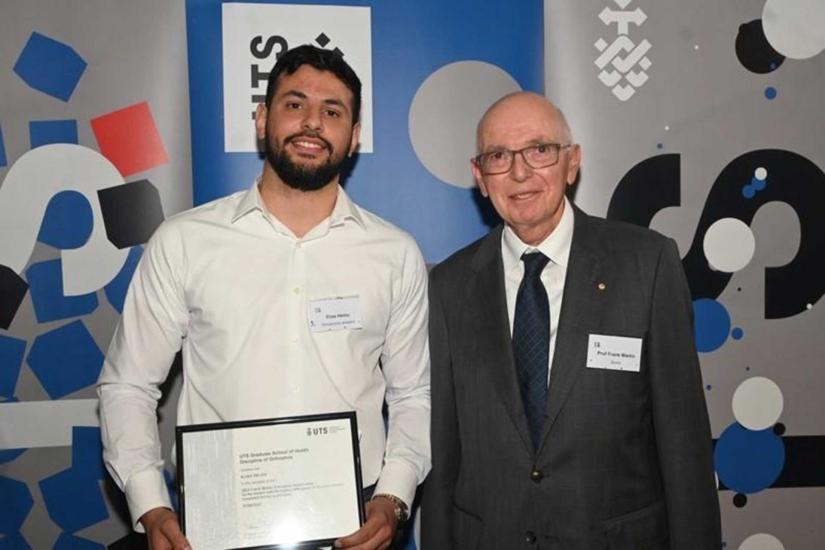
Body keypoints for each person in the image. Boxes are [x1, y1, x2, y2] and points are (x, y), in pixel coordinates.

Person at [98, 45, 430, 550]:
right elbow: (128, 384)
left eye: (333, 111)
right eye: (295, 105)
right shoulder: (185, 241)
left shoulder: (395, 254)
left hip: (351, 524)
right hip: (211, 523)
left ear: (354, 135)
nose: (313, 123)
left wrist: (394, 497)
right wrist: (151, 506)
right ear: (261, 119)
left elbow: (413, 395)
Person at [422, 92, 720, 549]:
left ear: (572, 162)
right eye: (499, 156)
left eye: (539, 150)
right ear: (480, 177)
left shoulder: (647, 264)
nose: (520, 172)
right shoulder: (449, 285)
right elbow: (444, 457)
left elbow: (685, 445)